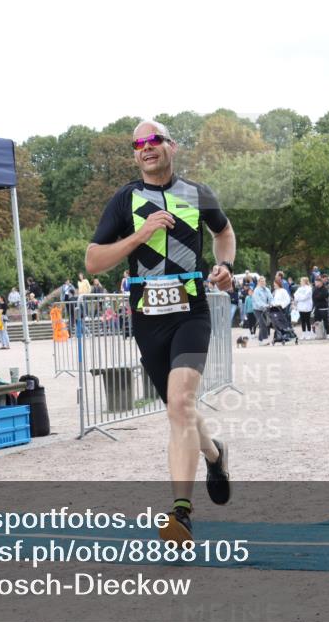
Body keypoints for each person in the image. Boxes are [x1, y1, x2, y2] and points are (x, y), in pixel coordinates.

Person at [84, 119, 234, 543]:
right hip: (148, 319)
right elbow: (94, 261)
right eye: (138, 144)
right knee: (179, 409)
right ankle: (214, 454)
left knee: (181, 402)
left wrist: (225, 268)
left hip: (191, 312)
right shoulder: (125, 200)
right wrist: (141, 233)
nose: (146, 148)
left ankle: (181, 513)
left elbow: (224, 232)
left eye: (154, 140)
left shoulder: (198, 193)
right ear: (134, 154)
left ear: (172, 146)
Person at [252, 276, 273, 345]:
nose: (263, 283)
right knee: (263, 323)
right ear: (258, 282)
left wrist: (272, 304)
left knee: (264, 324)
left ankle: (260, 341)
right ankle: (265, 339)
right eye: (261, 281)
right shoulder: (256, 290)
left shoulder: (267, 289)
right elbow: (258, 302)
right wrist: (266, 305)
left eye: (264, 281)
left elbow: (270, 298)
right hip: (257, 309)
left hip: (264, 309)